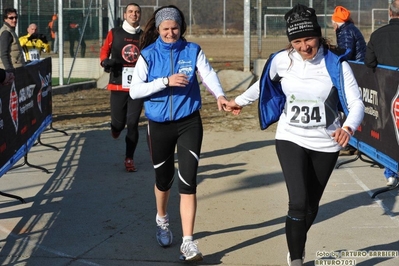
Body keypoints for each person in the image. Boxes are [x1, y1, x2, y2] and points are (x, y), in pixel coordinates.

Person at [224, 4, 364, 266]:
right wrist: (239, 101)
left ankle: (295, 242)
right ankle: (297, 259)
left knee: (311, 205)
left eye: (308, 39)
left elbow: (357, 104)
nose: (303, 47)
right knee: (297, 202)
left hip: (326, 142)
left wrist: (348, 128)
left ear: (319, 35)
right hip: (291, 137)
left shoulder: (336, 65)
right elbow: (263, 83)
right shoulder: (282, 60)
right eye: (297, 41)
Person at [129, 5, 228, 262]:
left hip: (189, 122)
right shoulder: (148, 55)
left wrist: (220, 95)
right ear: (158, 29)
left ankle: (188, 242)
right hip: (159, 125)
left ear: (181, 27)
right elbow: (134, 91)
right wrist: (165, 82)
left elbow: (207, 73)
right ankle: (162, 219)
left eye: (175, 28)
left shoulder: (192, 50)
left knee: (188, 181)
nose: (171, 33)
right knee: (164, 180)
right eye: (166, 29)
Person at [100, 3, 143, 172]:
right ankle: (115, 128)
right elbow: (104, 51)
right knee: (118, 124)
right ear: (125, 14)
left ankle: (129, 158)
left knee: (132, 123)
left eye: (137, 12)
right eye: (131, 12)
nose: (134, 14)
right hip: (118, 85)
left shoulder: (144, 36)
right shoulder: (114, 33)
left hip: (138, 87)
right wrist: (105, 61)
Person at [364, 0, 399, 187]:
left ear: (390, 12)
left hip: (387, 92)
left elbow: (368, 62)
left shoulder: (378, 35)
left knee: (389, 131)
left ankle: (391, 172)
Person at [331, 5, 367, 156]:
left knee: (349, 104)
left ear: (336, 22)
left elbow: (346, 53)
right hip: (357, 69)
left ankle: (349, 142)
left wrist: (332, 55)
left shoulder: (345, 32)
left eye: (332, 20)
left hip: (355, 71)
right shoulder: (348, 29)